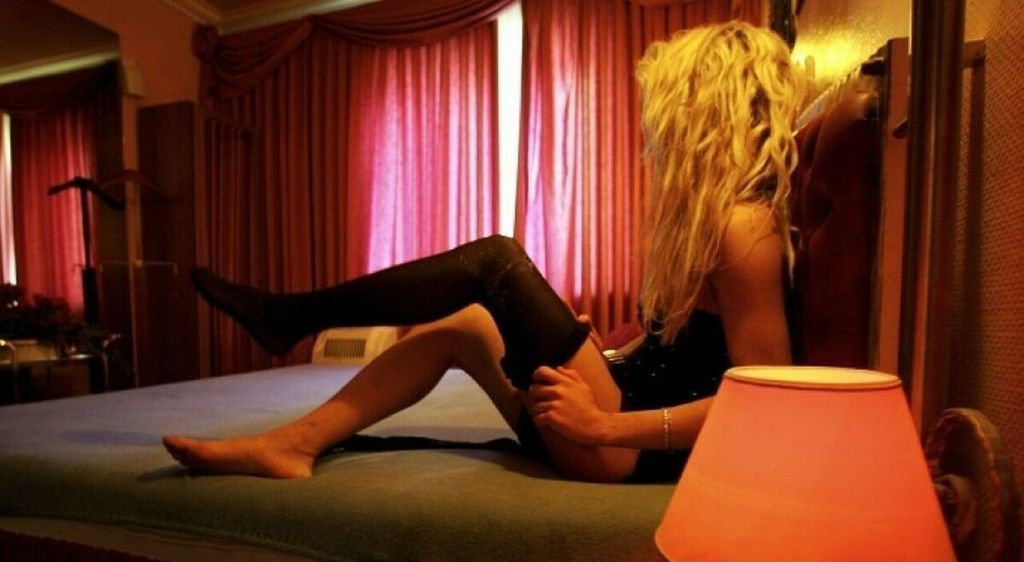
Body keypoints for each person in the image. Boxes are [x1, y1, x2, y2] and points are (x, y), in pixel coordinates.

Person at [163, 20, 804, 484]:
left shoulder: (745, 228)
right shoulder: (713, 221)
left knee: (496, 262)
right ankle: (295, 444)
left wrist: (603, 426)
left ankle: (290, 316)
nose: (650, 131)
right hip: (619, 401)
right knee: (466, 324)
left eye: (662, 111)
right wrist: (606, 353)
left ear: (702, 110)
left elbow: (765, 399)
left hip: (626, 446)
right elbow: (687, 350)